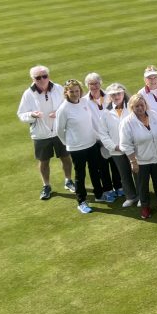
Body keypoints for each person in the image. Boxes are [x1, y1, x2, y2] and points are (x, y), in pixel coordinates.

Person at [17, 65, 74, 200]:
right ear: (33, 79)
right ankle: (46, 185)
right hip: (41, 134)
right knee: (44, 161)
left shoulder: (58, 88)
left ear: (48, 76)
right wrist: (32, 115)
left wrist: (58, 113)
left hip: (60, 131)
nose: (42, 80)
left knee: (66, 157)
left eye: (44, 76)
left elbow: (68, 105)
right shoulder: (28, 94)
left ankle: (68, 180)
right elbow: (21, 114)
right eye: (38, 78)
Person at [55, 79, 109, 214]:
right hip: (76, 148)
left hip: (91, 143)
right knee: (80, 174)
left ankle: (99, 194)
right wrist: (68, 143)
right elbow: (59, 130)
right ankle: (81, 201)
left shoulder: (84, 102)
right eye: (71, 91)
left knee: (95, 170)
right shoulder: (63, 109)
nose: (75, 94)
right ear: (66, 92)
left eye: (77, 91)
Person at [119, 93, 157, 220]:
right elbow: (125, 144)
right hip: (141, 161)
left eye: (142, 105)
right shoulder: (127, 122)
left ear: (145, 105)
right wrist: (133, 162)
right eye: (136, 106)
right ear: (132, 107)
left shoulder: (154, 115)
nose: (140, 108)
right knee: (142, 186)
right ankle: (145, 206)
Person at [97, 83, 138, 206]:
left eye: (118, 93)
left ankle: (142, 196)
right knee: (124, 174)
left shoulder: (132, 108)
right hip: (116, 150)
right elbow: (103, 134)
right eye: (113, 94)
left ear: (123, 93)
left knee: (137, 172)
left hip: (134, 148)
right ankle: (131, 197)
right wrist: (114, 147)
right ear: (110, 96)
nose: (116, 96)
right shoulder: (105, 113)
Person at [83, 72, 118, 201]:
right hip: (97, 139)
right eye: (91, 84)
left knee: (115, 163)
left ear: (100, 83)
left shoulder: (109, 96)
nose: (94, 86)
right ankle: (108, 189)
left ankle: (119, 186)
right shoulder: (84, 101)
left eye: (96, 83)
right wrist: (101, 138)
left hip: (112, 136)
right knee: (102, 166)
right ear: (87, 85)